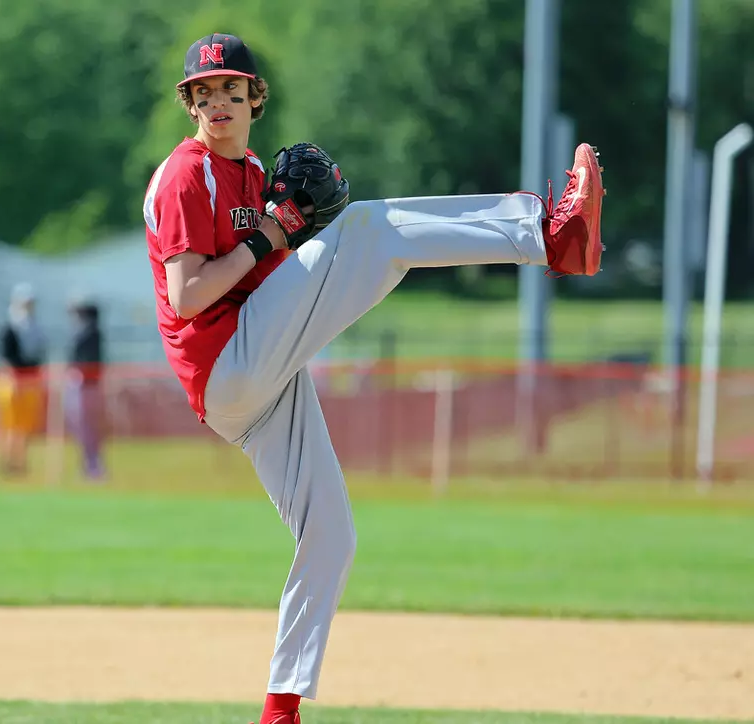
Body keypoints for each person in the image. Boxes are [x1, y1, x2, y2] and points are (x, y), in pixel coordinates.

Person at [143, 32, 606, 724]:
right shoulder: (188, 173)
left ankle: (281, 709)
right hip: (225, 362)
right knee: (367, 230)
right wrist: (275, 235)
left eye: (232, 90)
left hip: (259, 368)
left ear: (255, 100)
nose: (218, 103)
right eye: (204, 93)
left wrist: (291, 235)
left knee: (329, 531)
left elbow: (272, 275)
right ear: (189, 106)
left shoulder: (253, 172)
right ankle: (547, 235)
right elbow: (186, 295)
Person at [0, 283, 47, 476]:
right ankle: (6, 462)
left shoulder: (35, 327)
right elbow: (5, 357)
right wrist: (12, 378)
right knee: (8, 425)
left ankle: (20, 462)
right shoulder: (11, 326)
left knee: (24, 426)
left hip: (29, 381)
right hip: (12, 382)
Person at [63, 295, 107, 481]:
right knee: (80, 428)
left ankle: (93, 466)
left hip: (86, 385)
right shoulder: (84, 332)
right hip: (81, 385)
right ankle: (88, 465)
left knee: (87, 428)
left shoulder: (90, 332)